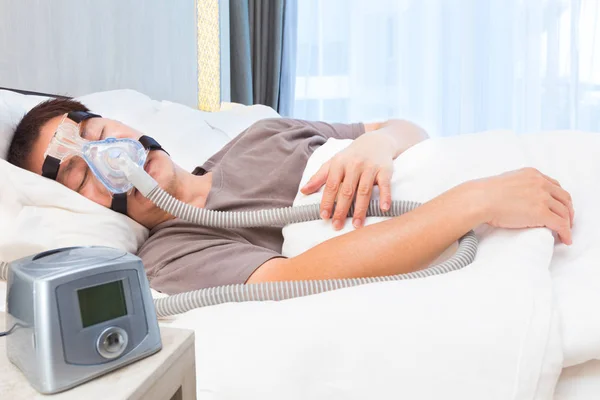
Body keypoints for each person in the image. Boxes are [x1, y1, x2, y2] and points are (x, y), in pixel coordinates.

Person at [6, 99, 575, 294]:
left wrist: (376, 144)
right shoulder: (168, 261)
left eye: (102, 135)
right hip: (487, 216)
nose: (110, 158)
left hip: (525, 165)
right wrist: (473, 202)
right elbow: (299, 275)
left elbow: (409, 129)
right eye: (80, 177)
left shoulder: (258, 135)